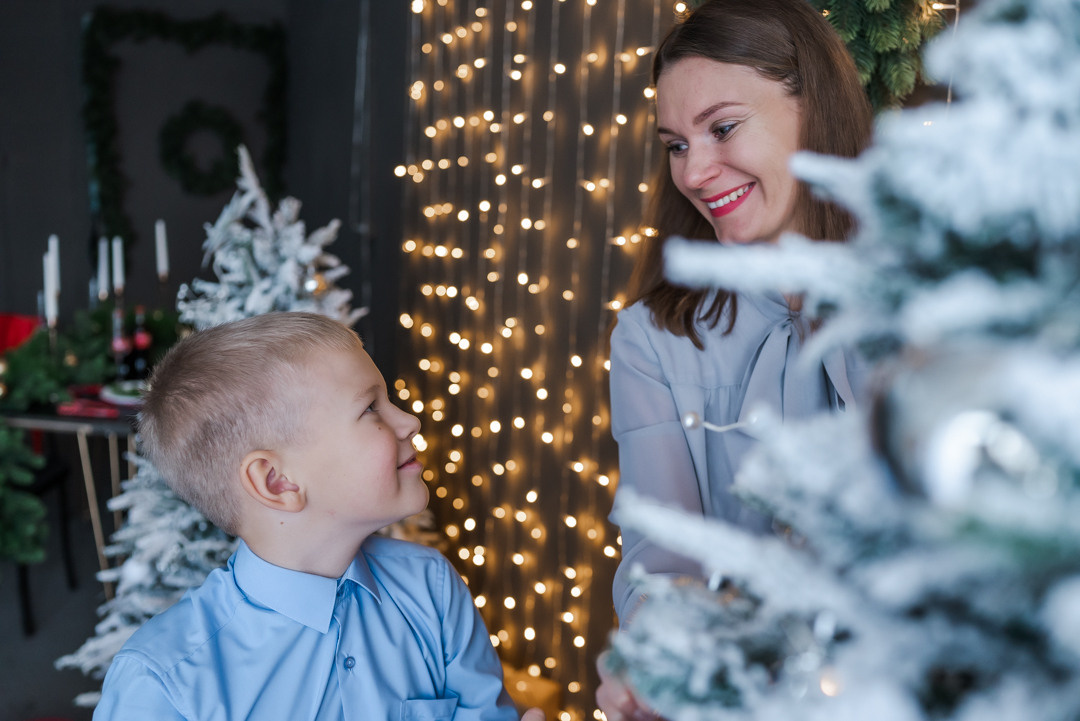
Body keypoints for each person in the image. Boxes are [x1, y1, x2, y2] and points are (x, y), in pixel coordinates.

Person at [596, 0, 873, 718]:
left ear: (813, 109)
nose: (695, 170)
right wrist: (665, 648)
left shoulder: (917, 303)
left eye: (721, 128)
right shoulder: (651, 338)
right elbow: (661, 550)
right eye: (676, 144)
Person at [94, 312, 545, 721]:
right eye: (371, 408)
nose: (410, 422)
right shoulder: (162, 687)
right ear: (277, 482)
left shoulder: (431, 587)